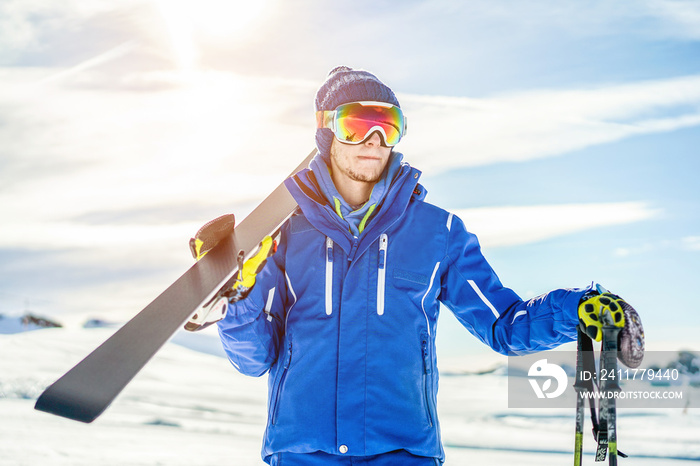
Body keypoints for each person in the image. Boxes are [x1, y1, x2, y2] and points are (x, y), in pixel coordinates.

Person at [188, 66, 643, 465]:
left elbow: (505, 325)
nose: (373, 140)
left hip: (404, 452)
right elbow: (254, 361)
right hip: (302, 451)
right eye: (356, 124)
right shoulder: (282, 233)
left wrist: (577, 309)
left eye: (387, 125)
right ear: (326, 133)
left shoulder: (438, 232)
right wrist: (239, 298)